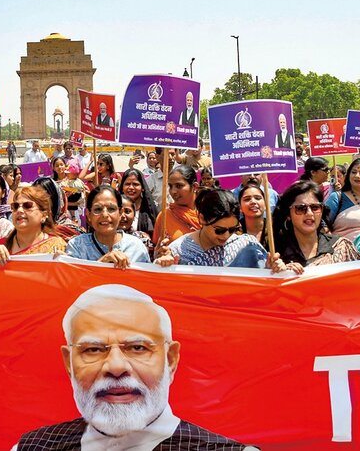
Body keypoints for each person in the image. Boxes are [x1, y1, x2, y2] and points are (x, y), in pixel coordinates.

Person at [15, 284, 259, 451]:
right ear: (69, 363)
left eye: (138, 348)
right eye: (93, 350)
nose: (116, 366)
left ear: (171, 359)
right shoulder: (34, 446)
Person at [159, 189, 285, 270]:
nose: (226, 236)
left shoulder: (246, 245)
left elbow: (262, 282)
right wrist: (165, 268)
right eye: (219, 230)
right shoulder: (178, 251)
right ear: (202, 219)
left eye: (232, 230)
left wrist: (272, 269)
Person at [273, 181, 360, 273]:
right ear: (288, 214)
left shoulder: (340, 246)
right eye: (300, 208)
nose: (309, 213)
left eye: (315, 207)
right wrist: (281, 274)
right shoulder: (277, 254)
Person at [66, 185, 150, 268]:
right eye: (98, 209)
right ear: (88, 215)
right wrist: (101, 263)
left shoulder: (136, 247)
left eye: (111, 209)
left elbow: (147, 279)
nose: (105, 215)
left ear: (120, 213)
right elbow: (73, 280)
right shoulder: (77, 246)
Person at [0, 186, 66, 264]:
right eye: (15, 206)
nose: (19, 210)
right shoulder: (2, 247)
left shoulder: (57, 246)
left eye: (27, 206)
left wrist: (65, 264)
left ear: (44, 215)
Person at [153, 165, 201, 244]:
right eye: (170, 186)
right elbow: (156, 248)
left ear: (195, 186)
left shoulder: (208, 214)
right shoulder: (164, 216)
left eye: (179, 186)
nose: (173, 191)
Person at [118, 168, 159, 236]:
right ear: (122, 187)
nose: (131, 187)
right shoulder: (115, 207)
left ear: (143, 187)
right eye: (127, 184)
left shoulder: (152, 208)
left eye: (135, 184)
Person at [119, 195, 155, 259]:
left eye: (127, 211)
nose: (123, 216)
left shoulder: (143, 238)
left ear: (134, 215)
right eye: (119, 211)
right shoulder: (103, 238)